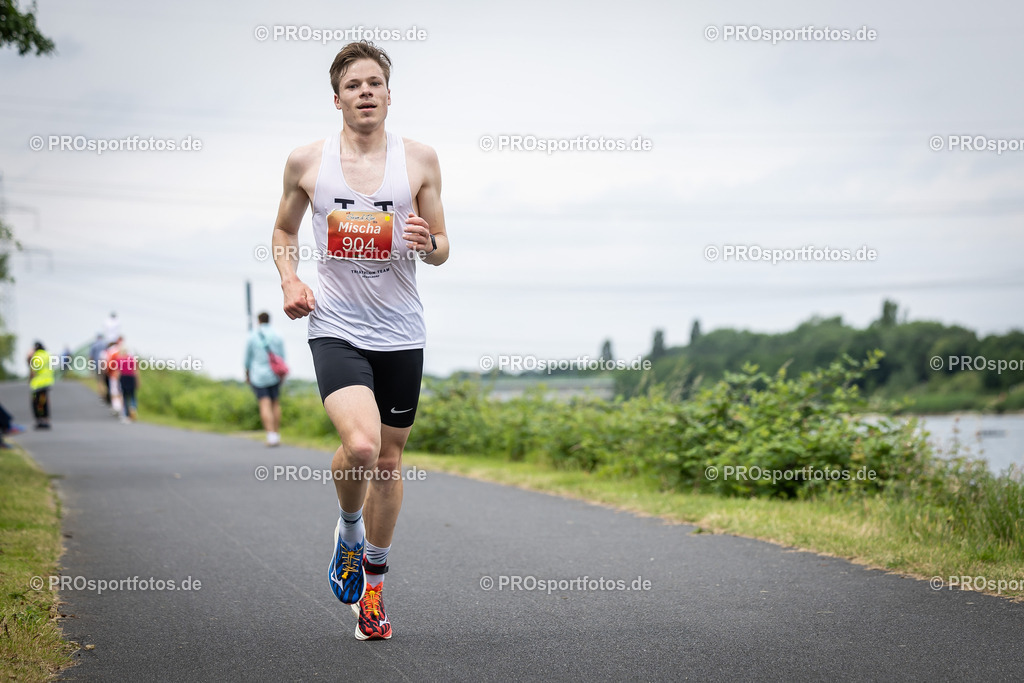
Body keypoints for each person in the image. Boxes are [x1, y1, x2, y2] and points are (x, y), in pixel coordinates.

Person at [271, 40, 449, 641]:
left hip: (401, 330)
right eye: (354, 85)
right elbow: (282, 229)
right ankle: (348, 534)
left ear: (389, 95)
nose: (365, 92)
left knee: (391, 459)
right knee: (364, 447)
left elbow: (444, 247)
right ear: (338, 98)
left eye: (375, 83)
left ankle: (373, 588)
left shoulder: (420, 160)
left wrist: (429, 243)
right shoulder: (306, 162)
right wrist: (292, 278)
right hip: (338, 325)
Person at [244, 312, 285, 446]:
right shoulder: (277, 335)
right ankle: (277, 434)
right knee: (275, 403)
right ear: (270, 320)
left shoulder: (252, 336)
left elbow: (247, 359)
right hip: (274, 374)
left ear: (259, 321)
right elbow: (282, 356)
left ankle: (271, 436)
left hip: (258, 375)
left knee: (264, 404)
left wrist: (247, 374)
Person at [28, 341, 54, 429]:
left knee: (37, 402)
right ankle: (46, 418)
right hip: (47, 381)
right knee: (44, 401)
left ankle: (40, 419)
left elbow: (33, 371)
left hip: (38, 383)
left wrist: (30, 379)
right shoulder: (47, 355)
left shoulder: (36, 356)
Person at [115, 341, 139, 422]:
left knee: (125, 397)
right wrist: (137, 381)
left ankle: (127, 414)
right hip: (131, 377)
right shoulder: (132, 359)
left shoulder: (119, 360)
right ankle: (133, 408)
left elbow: (118, 372)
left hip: (123, 378)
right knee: (132, 395)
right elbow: (135, 371)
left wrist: (117, 382)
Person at [89, 333, 108, 402]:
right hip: (105, 365)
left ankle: (101, 395)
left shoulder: (94, 345)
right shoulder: (105, 344)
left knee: (99, 380)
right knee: (105, 380)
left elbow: (91, 357)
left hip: (97, 365)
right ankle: (106, 394)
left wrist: (91, 368)